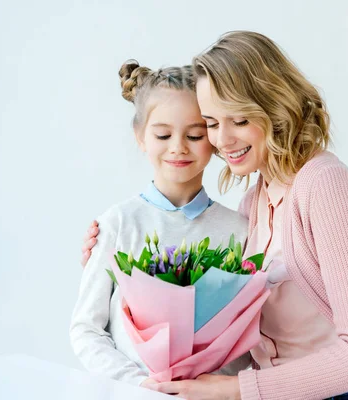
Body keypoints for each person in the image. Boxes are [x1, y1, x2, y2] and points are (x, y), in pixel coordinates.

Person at [82, 31, 348, 400]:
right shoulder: (252, 208)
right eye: (212, 122)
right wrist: (121, 270)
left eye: (240, 120)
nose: (222, 140)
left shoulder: (326, 187)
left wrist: (239, 390)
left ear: (276, 107)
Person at [70, 60, 248, 390]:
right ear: (140, 137)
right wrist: (138, 385)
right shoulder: (118, 224)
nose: (178, 146)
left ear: (213, 137)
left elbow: (247, 337)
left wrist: (215, 387)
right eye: (163, 134)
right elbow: (86, 329)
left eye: (195, 135)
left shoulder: (240, 231)